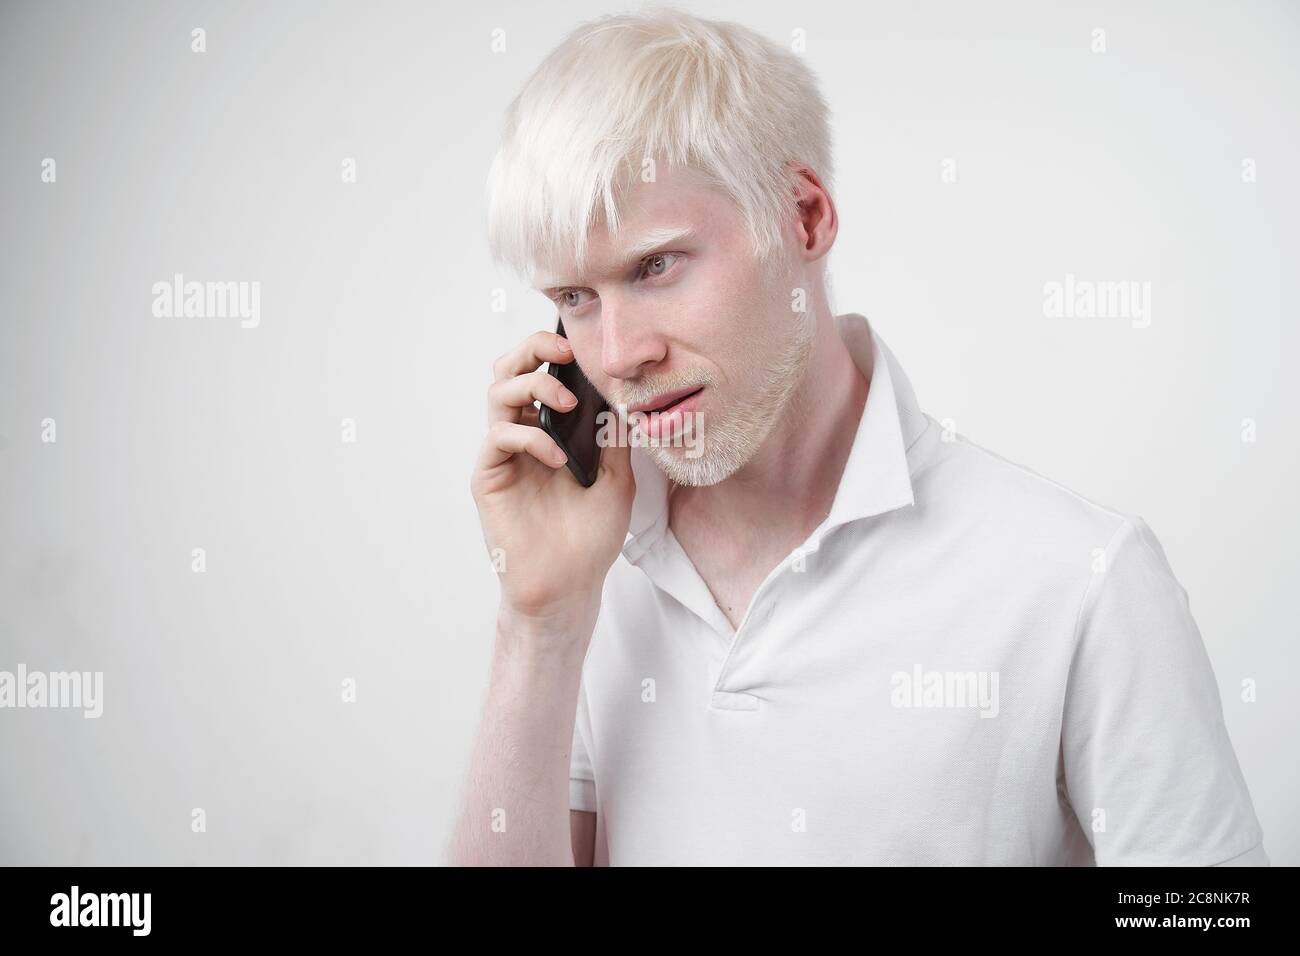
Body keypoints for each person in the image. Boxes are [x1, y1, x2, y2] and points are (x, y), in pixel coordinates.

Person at [448, 7, 1268, 866]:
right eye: (576, 298)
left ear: (802, 217)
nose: (618, 355)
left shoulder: (1082, 579)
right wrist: (539, 623)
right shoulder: (588, 578)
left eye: (654, 267)